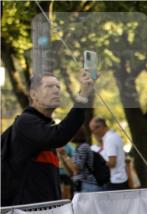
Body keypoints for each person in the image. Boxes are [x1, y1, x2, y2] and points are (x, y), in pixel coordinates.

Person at [2, 70, 93, 206]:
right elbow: (59, 135)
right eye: (49, 87)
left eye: (58, 87)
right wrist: (83, 96)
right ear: (33, 94)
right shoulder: (26, 122)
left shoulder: (44, 126)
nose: (56, 90)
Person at [89, 117, 128, 190]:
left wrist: (97, 165)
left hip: (115, 181)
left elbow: (112, 162)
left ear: (99, 127)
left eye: (93, 130)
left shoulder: (110, 139)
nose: (93, 134)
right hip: (118, 179)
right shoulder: (112, 136)